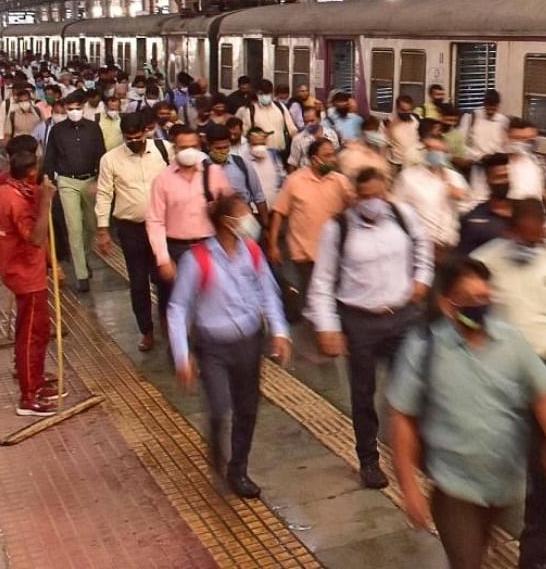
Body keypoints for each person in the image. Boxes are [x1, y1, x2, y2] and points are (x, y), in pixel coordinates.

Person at [388, 258, 546, 569]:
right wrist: (409, 488)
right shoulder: (424, 348)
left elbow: (542, 397)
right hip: (454, 486)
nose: (481, 307)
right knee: (467, 561)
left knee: (480, 549)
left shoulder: (510, 340)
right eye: (472, 300)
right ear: (448, 305)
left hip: (502, 483)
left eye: (486, 298)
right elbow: (403, 418)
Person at [471, 199, 546, 569]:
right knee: (500, 459)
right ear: (510, 230)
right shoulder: (487, 261)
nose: (533, 243)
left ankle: (535, 551)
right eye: (525, 237)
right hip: (506, 377)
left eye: (538, 235)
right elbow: (467, 318)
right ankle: (480, 532)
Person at [306, 167, 432, 488]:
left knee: (412, 386)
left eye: (378, 195)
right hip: (359, 322)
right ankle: (369, 460)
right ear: (354, 198)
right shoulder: (339, 228)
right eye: (365, 197)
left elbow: (423, 245)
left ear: (386, 192)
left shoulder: (403, 216)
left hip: (402, 317)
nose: (373, 202)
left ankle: (416, 451)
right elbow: (321, 281)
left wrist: (421, 279)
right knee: (364, 394)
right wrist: (327, 326)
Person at [167, 193, 292, 499]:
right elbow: (178, 307)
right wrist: (182, 356)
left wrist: (279, 331)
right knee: (221, 407)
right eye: (244, 214)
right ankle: (217, 452)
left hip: (249, 342)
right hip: (213, 347)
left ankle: (239, 469)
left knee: (247, 409)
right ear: (226, 222)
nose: (250, 219)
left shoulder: (251, 251)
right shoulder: (197, 260)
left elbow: (268, 292)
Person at [0, 151, 58, 415]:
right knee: (31, 334)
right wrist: (45, 203)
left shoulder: (1, 192)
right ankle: (28, 396)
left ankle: (36, 380)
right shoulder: (17, 201)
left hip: (21, 270)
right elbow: (35, 237)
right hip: (26, 276)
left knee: (38, 329)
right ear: (32, 173)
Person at [96, 113, 174, 351]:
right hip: (131, 229)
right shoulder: (110, 160)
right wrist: (103, 229)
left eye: (138, 137)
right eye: (129, 138)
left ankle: (167, 322)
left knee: (165, 279)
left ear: (146, 132)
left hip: (162, 226)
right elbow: (104, 193)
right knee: (138, 282)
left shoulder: (164, 150)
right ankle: (146, 330)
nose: (134, 141)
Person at [146, 125, 232, 287]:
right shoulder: (163, 179)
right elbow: (155, 221)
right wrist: (163, 259)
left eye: (193, 147)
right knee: (176, 302)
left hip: (210, 246)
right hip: (177, 250)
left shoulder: (214, 173)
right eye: (184, 147)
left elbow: (231, 210)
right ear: (175, 148)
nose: (189, 151)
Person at [268, 138, 353, 301]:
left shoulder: (340, 181)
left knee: (333, 296)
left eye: (333, 154)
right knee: (311, 297)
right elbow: (279, 212)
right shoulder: (294, 181)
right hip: (304, 254)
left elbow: (356, 204)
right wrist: (273, 246)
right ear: (314, 159)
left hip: (333, 252)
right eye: (327, 156)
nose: (333, 159)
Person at [41, 91, 106, 293]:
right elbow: (50, 157)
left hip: (90, 181)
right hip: (67, 182)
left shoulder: (94, 129)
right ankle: (81, 275)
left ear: (83, 107)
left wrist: (100, 181)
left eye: (77, 108)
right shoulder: (57, 131)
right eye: (70, 109)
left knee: (90, 225)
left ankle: (83, 256)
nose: (74, 112)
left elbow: (101, 155)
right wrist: (48, 179)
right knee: (74, 227)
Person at [392, 127, 471, 256]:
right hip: (419, 247)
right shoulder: (408, 177)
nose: (435, 153)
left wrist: (459, 196)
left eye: (440, 150)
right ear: (423, 150)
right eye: (430, 149)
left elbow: (466, 208)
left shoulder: (456, 178)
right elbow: (396, 209)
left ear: (447, 153)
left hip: (448, 246)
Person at [456, 153, 512, 256]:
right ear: (488, 180)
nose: (504, 181)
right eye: (498, 177)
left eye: (506, 176)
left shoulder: (524, 212)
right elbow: (464, 260)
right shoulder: (474, 220)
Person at [237, 79, 296, 152]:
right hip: (261, 153)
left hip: (281, 153)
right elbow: (245, 135)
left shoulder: (280, 107)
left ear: (272, 93)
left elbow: (291, 129)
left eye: (267, 93)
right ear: (256, 94)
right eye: (261, 94)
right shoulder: (250, 111)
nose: (264, 96)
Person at [506, 118, 546, 208]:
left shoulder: (539, 161)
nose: (526, 144)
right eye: (520, 138)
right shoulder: (498, 164)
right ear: (507, 138)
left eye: (531, 140)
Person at [460, 89, 509, 162]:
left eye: (494, 107)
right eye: (488, 106)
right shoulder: (472, 117)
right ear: (484, 104)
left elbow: (505, 145)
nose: (490, 110)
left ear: (498, 106)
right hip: (476, 163)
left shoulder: (503, 120)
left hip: (496, 163)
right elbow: (461, 141)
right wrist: (478, 156)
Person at [245, 127, 286, 206]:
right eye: (255, 144)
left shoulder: (274, 156)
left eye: (262, 144)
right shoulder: (244, 161)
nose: (259, 147)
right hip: (256, 210)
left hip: (276, 207)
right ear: (249, 144)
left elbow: (283, 179)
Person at [387, 94, 421, 172]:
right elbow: (384, 143)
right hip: (397, 164)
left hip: (413, 163)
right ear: (397, 109)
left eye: (409, 110)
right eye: (403, 110)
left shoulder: (417, 121)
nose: (406, 112)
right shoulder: (388, 123)